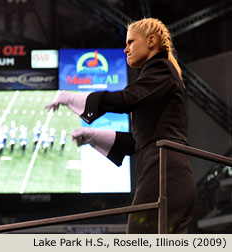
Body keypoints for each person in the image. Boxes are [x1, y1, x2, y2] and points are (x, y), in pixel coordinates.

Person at [46, 18, 196, 234]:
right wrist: (93, 135)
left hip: (166, 177)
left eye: (131, 42)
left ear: (151, 41)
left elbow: (126, 99)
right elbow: (139, 142)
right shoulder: (158, 75)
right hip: (168, 177)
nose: (125, 49)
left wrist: (70, 97)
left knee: (136, 240)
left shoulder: (161, 69)